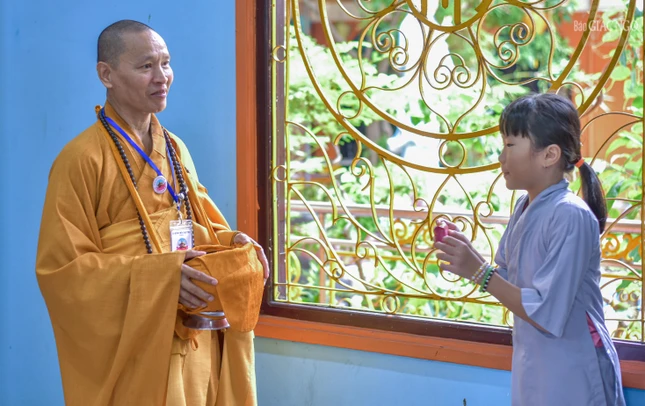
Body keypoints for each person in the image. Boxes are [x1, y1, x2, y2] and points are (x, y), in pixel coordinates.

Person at [36, 20, 269, 406]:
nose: (162, 77)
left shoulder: (174, 148)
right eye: (146, 66)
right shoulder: (80, 160)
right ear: (106, 75)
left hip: (196, 335)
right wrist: (161, 278)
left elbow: (199, 224)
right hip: (138, 344)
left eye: (166, 63)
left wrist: (233, 242)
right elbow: (63, 272)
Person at [435, 93, 625, 406]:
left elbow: (545, 310)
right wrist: (467, 257)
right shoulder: (525, 206)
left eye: (510, 145)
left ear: (549, 155)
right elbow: (510, 281)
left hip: (574, 368)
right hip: (537, 364)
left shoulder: (571, 215)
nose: (501, 157)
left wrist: (479, 272)